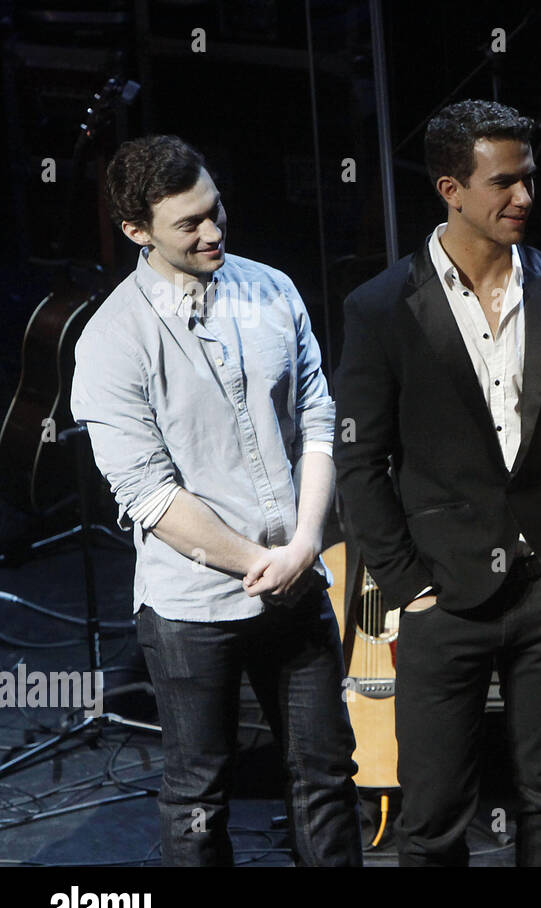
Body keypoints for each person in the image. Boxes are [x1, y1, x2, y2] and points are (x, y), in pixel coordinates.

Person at [70, 134, 361, 865]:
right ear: (138, 231)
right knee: (200, 792)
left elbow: (319, 419)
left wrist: (303, 546)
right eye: (189, 224)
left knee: (326, 775)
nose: (213, 232)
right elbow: (147, 491)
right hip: (194, 607)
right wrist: (258, 562)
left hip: (296, 580)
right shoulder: (113, 339)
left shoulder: (270, 288)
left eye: (215, 210)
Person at [332, 100, 541, 866]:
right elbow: (360, 459)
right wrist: (406, 586)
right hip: (441, 594)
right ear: (451, 188)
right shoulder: (381, 307)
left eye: (530, 180)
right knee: (435, 814)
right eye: (504, 183)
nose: (524, 198)